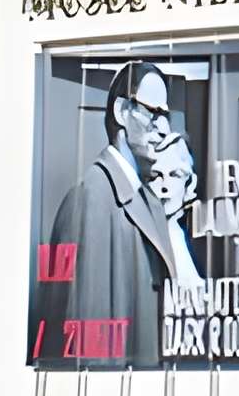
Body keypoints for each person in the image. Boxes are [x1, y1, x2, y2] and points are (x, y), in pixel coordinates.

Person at [31, 63, 204, 369]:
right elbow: (90, 337)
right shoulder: (93, 198)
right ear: (122, 112)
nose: (163, 127)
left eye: (165, 115)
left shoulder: (145, 198)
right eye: (154, 113)